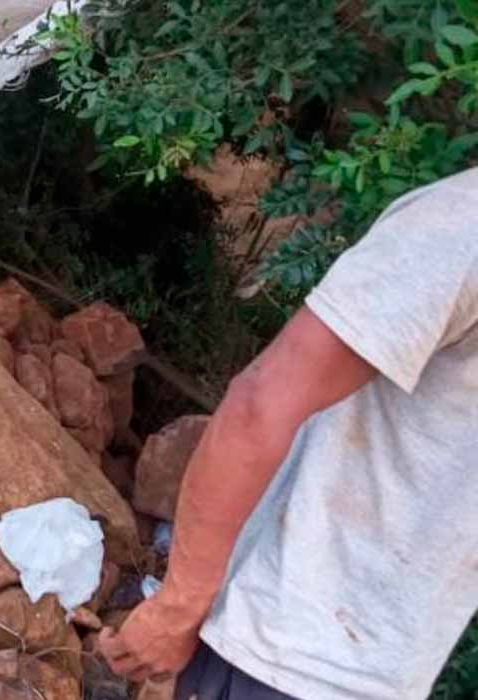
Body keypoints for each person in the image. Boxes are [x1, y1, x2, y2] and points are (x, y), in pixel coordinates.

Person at [96, 167, 478, 700]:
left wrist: (175, 609)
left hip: (323, 663)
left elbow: (261, 403)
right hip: (314, 659)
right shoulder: (461, 224)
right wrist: (179, 606)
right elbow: (261, 405)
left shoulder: (462, 223)